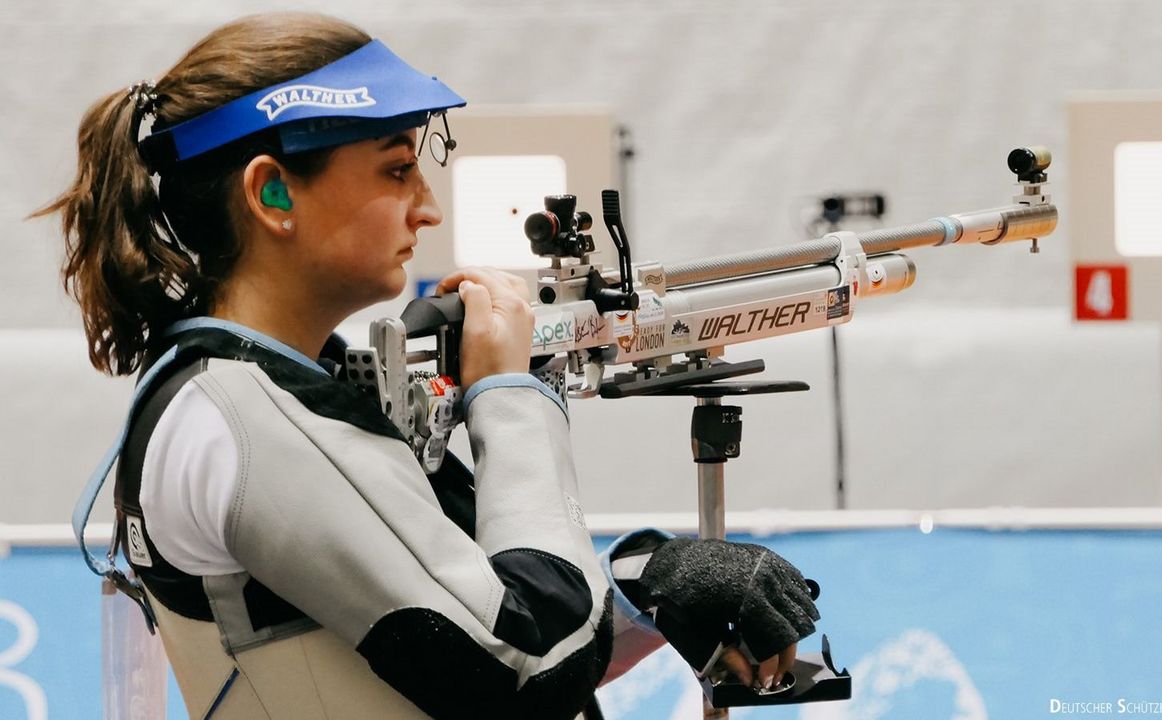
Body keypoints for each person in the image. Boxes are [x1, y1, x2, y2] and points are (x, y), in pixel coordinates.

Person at [36, 12, 820, 719]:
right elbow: (529, 662)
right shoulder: (246, 417)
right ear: (274, 192)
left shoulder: (279, 392)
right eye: (394, 169)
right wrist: (513, 395)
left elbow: (455, 638)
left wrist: (653, 590)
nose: (428, 206)